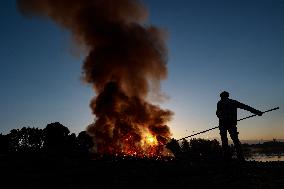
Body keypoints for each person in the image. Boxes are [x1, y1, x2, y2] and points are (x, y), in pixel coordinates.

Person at [216, 91, 263, 161]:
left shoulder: (220, 103)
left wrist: (222, 117)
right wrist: (257, 112)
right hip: (229, 124)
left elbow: (217, 113)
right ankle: (240, 157)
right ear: (227, 96)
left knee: (225, 141)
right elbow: (245, 107)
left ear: (222, 96)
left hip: (224, 124)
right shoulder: (231, 102)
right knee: (235, 140)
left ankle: (227, 157)